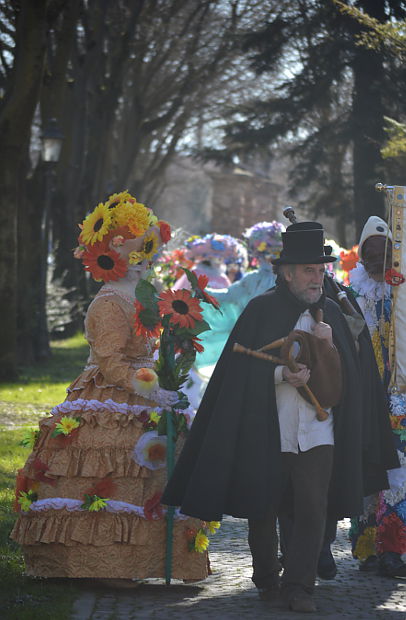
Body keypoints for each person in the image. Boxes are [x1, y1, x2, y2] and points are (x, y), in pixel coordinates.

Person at [162, 221, 399, 613]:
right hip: (268, 429)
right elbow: (237, 373)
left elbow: (350, 384)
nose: (316, 278)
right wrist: (279, 374)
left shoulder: (335, 315)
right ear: (287, 273)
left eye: (321, 271)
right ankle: (267, 577)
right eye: (308, 271)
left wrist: (329, 351)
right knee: (264, 506)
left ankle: (300, 587)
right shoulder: (261, 310)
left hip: (319, 432)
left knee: (312, 508)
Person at [11, 191, 209, 585]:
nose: (147, 262)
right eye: (139, 254)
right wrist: (149, 387)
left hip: (145, 394)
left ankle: (143, 562)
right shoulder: (108, 302)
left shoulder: (144, 295)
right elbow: (112, 361)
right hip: (109, 396)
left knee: (146, 477)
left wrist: (168, 368)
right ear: (115, 255)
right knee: (108, 470)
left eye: (149, 253)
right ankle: (103, 566)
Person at [348, 216, 406, 578]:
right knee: (366, 473)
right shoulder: (350, 293)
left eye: (382, 253)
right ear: (360, 254)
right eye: (369, 253)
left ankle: (395, 550)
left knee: (399, 476)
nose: (375, 260)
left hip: (397, 393)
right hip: (364, 395)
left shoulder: (400, 293)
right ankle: (368, 547)